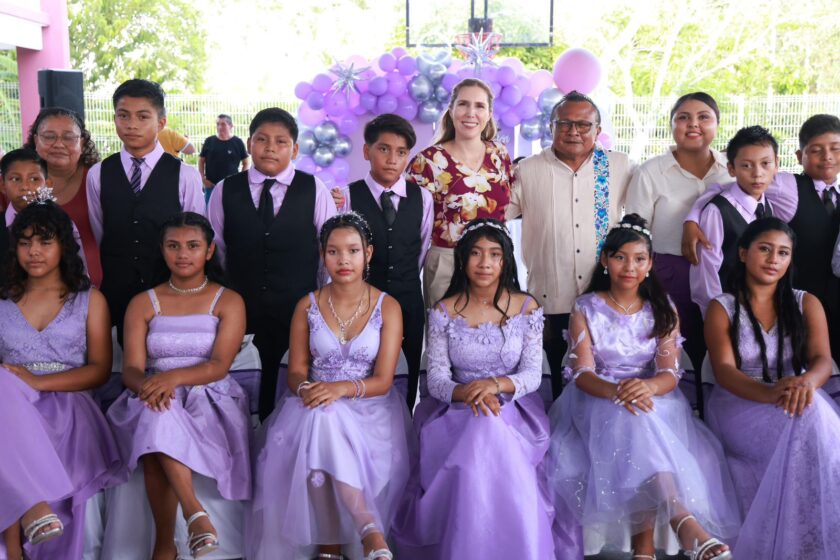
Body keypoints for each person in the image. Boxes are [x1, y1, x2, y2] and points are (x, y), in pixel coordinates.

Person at [547, 214, 739, 560]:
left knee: (639, 419)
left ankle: (645, 549)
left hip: (653, 395)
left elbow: (669, 373)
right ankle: (680, 522)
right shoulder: (586, 307)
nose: (629, 267)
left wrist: (645, 388)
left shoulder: (662, 309)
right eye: (620, 257)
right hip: (596, 396)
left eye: (639, 259)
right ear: (605, 260)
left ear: (650, 264)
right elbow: (583, 373)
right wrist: (618, 392)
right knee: (634, 417)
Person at [248, 213, 413, 560]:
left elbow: (383, 381)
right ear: (322, 255)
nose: (343, 260)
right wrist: (307, 389)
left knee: (323, 419)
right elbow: (295, 372)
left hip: (369, 407)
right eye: (333, 251)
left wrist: (339, 389)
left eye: (352, 250)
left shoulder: (388, 306)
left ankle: (330, 548)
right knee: (321, 418)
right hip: (314, 401)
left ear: (368, 253)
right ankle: (368, 530)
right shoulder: (307, 305)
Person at [392, 218, 557, 560]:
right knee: (482, 427)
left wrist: (494, 386)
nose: (485, 263)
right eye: (476, 254)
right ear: (463, 258)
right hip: (456, 408)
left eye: (494, 254)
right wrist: (467, 393)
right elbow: (437, 379)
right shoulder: (443, 310)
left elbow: (531, 374)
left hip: (514, 406)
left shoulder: (526, 307)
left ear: (505, 260)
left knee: (491, 426)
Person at [106, 212, 250, 559]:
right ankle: (193, 513)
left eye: (192, 246)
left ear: (209, 251)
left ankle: (164, 546)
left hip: (209, 396)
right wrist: (150, 386)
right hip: (152, 393)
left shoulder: (228, 300)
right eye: (173, 246)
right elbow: (131, 370)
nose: (182, 254)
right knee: (158, 410)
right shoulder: (143, 302)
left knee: (159, 414)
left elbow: (219, 365)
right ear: (162, 250)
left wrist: (170, 379)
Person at [704, 217, 840, 558]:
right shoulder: (722, 307)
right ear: (743, 253)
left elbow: (823, 360)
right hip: (740, 402)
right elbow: (723, 371)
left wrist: (805, 382)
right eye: (764, 249)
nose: (773, 259)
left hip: (797, 394)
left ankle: (813, 540)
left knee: (809, 410)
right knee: (808, 415)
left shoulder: (806, 302)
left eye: (783, 253)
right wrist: (771, 392)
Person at [0, 201, 123, 560]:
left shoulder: (89, 300)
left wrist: (38, 383)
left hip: (71, 403)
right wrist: (21, 386)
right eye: (24, 243)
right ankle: (15, 540)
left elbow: (99, 370)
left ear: (64, 246)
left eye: (44, 241)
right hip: (10, 406)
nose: (33, 251)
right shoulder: (2, 302)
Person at [208, 107, 336, 420]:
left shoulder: (314, 189)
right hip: (242, 308)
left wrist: (318, 300)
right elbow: (218, 250)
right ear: (249, 143)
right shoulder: (225, 190)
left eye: (281, 142)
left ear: (295, 149)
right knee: (242, 389)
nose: (270, 148)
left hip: (297, 308)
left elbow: (328, 251)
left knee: (289, 387)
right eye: (262, 139)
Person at [507, 90, 636, 398]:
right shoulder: (527, 170)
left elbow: (639, 222)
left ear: (598, 130)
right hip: (550, 297)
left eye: (583, 125)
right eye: (564, 123)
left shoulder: (620, 166)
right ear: (551, 127)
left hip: (606, 297)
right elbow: (497, 215)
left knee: (602, 377)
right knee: (553, 378)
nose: (573, 131)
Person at [87, 79, 205, 344]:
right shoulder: (98, 174)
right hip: (116, 290)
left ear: (161, 123)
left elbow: (195, 236)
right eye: (123, 116)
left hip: (169, 291)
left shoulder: (184, 175)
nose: (131, 125)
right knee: (118, 357)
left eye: (142, 117)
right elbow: (101, 230)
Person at [625, 93, 729, 385]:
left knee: (721, 346)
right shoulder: (651, 172)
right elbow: (636, 233)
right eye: (683, 117)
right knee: (675, 348)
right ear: (671, 125)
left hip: (723, 273)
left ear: (717, 124)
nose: (693, 124)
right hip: (668, 274)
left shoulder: (732, 169)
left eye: (703, 117)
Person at [332, 114, 433, 410]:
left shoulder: (422, 198)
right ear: (367, 151)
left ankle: (404, 426)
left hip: (408, 300)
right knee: (361, 371)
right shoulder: (347, 197)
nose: (392, 159)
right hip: (359, 303)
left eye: (401, 152)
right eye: (384, 149)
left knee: (406, 373)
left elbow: (421, 248)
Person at [407, 78, 513, 307]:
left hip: (494, 263)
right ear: (451, 109)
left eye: (479, 106)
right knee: (447, 328)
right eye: (463, 104)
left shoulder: (500, 154)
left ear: (489, 114)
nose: (470, 113)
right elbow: (407, 218)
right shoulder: (427, 161)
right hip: (448, 263)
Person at [689, 125, 783, 316]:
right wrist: (715, 316)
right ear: (731, 169)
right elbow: (706, 271)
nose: (757, 173)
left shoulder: (767, 206)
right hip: (726, 312)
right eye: (746, 165)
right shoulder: (718, 210)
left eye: (766, 163)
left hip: (757, 309)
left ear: (776, 164)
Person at [24, 107, 103, 286]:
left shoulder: (99, 179)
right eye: (49, 136)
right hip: (31, 286)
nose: (59, 144)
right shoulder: (17, 181)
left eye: (68, 137)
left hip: (94, 284)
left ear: (82, 143)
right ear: (36, 140)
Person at [200, 114, 249, 204]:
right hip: (211, 186)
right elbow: (201, 161)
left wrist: (240, 179)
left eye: (223, 124)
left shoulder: (237, 142)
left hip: (231, 186)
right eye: (218, 124)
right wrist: (203, 179)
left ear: (231, 126)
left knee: (231, 210)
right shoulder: (209, 141)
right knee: (210, 210)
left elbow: (246, 162)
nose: (219, 127)